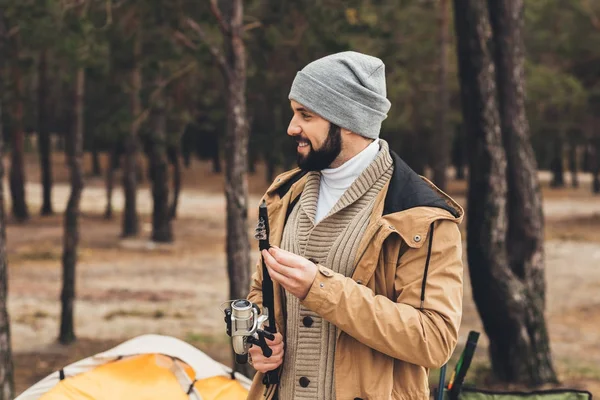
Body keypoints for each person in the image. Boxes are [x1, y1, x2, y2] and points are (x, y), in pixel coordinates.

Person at [246, 51, 464, 400]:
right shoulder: (283, 196)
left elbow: (433, 339)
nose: (292, 128)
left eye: (306, 115)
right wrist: (258, 336)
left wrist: (320, 288)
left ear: (347, 119)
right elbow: (261, 293)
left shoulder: (420, 215)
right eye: (293, 113)